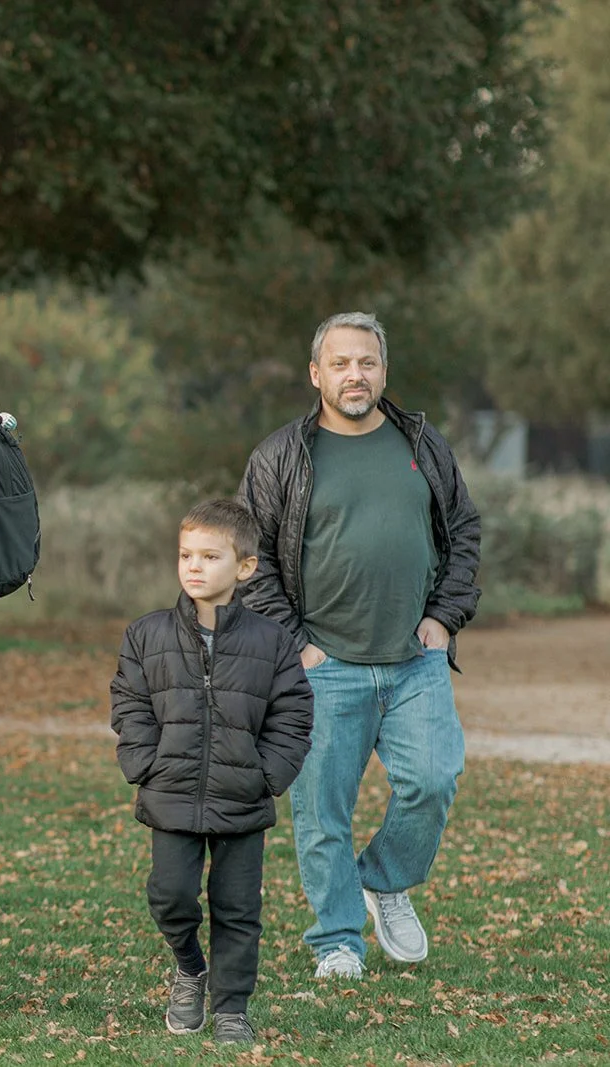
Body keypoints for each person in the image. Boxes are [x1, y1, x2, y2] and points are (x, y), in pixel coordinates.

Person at [238, 312, 481, 980]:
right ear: (316, 373)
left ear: (383, 370)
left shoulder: (422, 444)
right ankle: (336, 939)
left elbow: (461, 528)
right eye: (341, 363)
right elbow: (248, 556)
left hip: (414, 660)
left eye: (366, 362)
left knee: (433, 779)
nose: (355, 375)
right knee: (321, 813)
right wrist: (296, 645)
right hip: (323, 665)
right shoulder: (283, 454)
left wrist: (445, 617)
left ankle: (386, 879)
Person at [110, 499, 313, 1045]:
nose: (193, 567)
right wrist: (143, 762)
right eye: (185, 555)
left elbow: (293, 714)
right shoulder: (146, 634)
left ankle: (230, 1009)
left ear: (244, 568)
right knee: (170, 895)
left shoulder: (271, 642)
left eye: (209, 556)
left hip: (242, 797)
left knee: (238, 909)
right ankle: (190, 966)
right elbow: (129, 702)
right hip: (170, 793)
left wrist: (267, 775)